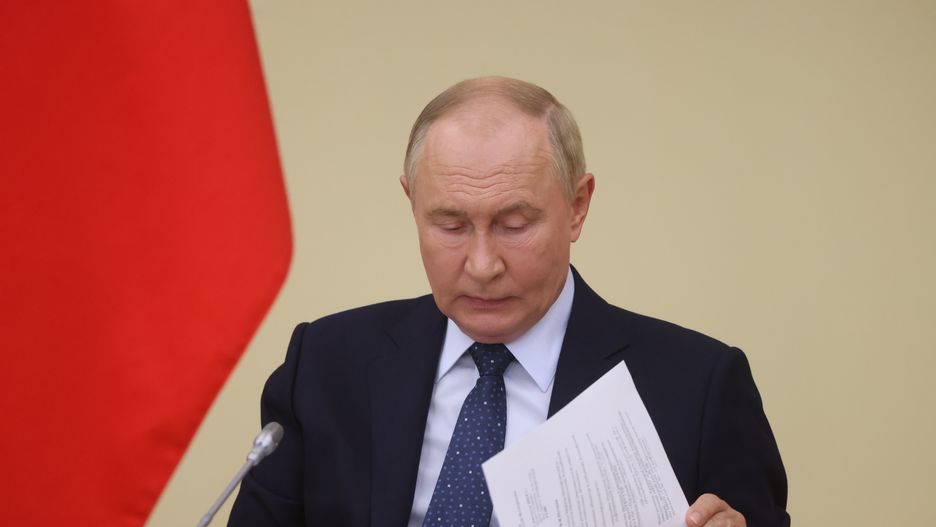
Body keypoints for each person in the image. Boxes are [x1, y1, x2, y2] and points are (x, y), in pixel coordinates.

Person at [229, 76, 789, 527]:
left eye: (514, 224)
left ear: (577, 206)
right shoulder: (325, 364)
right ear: (411, 202)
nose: (481, 265)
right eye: (449, 225)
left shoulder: (697, 388)